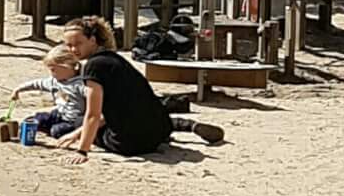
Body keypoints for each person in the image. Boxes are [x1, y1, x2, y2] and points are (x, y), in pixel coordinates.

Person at [52, 15, 221, 156]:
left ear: (93, 40)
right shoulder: (115, 59)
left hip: (129, 144)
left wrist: (82, 149)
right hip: (157, 133)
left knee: (74, 123)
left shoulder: (94, 66)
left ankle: (181, 125)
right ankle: (185, 125)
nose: (73, 49)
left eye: (78, 44)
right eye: (69, 45)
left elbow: (93, 115)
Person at [12, 48, 86, 143]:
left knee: (56, 131)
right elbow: (37, 84)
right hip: (58, 114)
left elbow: (94, 97)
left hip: (73, 120)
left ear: (67, 66)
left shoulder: (80, 84)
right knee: (35, 120)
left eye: (53, 70)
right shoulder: (53, 81)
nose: (51, 73)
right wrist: (18, 89)